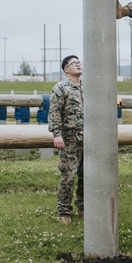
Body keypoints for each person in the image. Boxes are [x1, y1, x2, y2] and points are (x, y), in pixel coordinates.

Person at [47, 55, 84, 224]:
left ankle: (83, 207)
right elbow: (54, 112)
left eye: (79, 62)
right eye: (73, 63)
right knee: (68, 176)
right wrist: (57, 134)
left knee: (86, 176)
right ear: (66, 69)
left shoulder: (87, 87)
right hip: (69, 139)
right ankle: (64, 211)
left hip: (87, 138)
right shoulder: (61, 87)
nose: (78, 65)